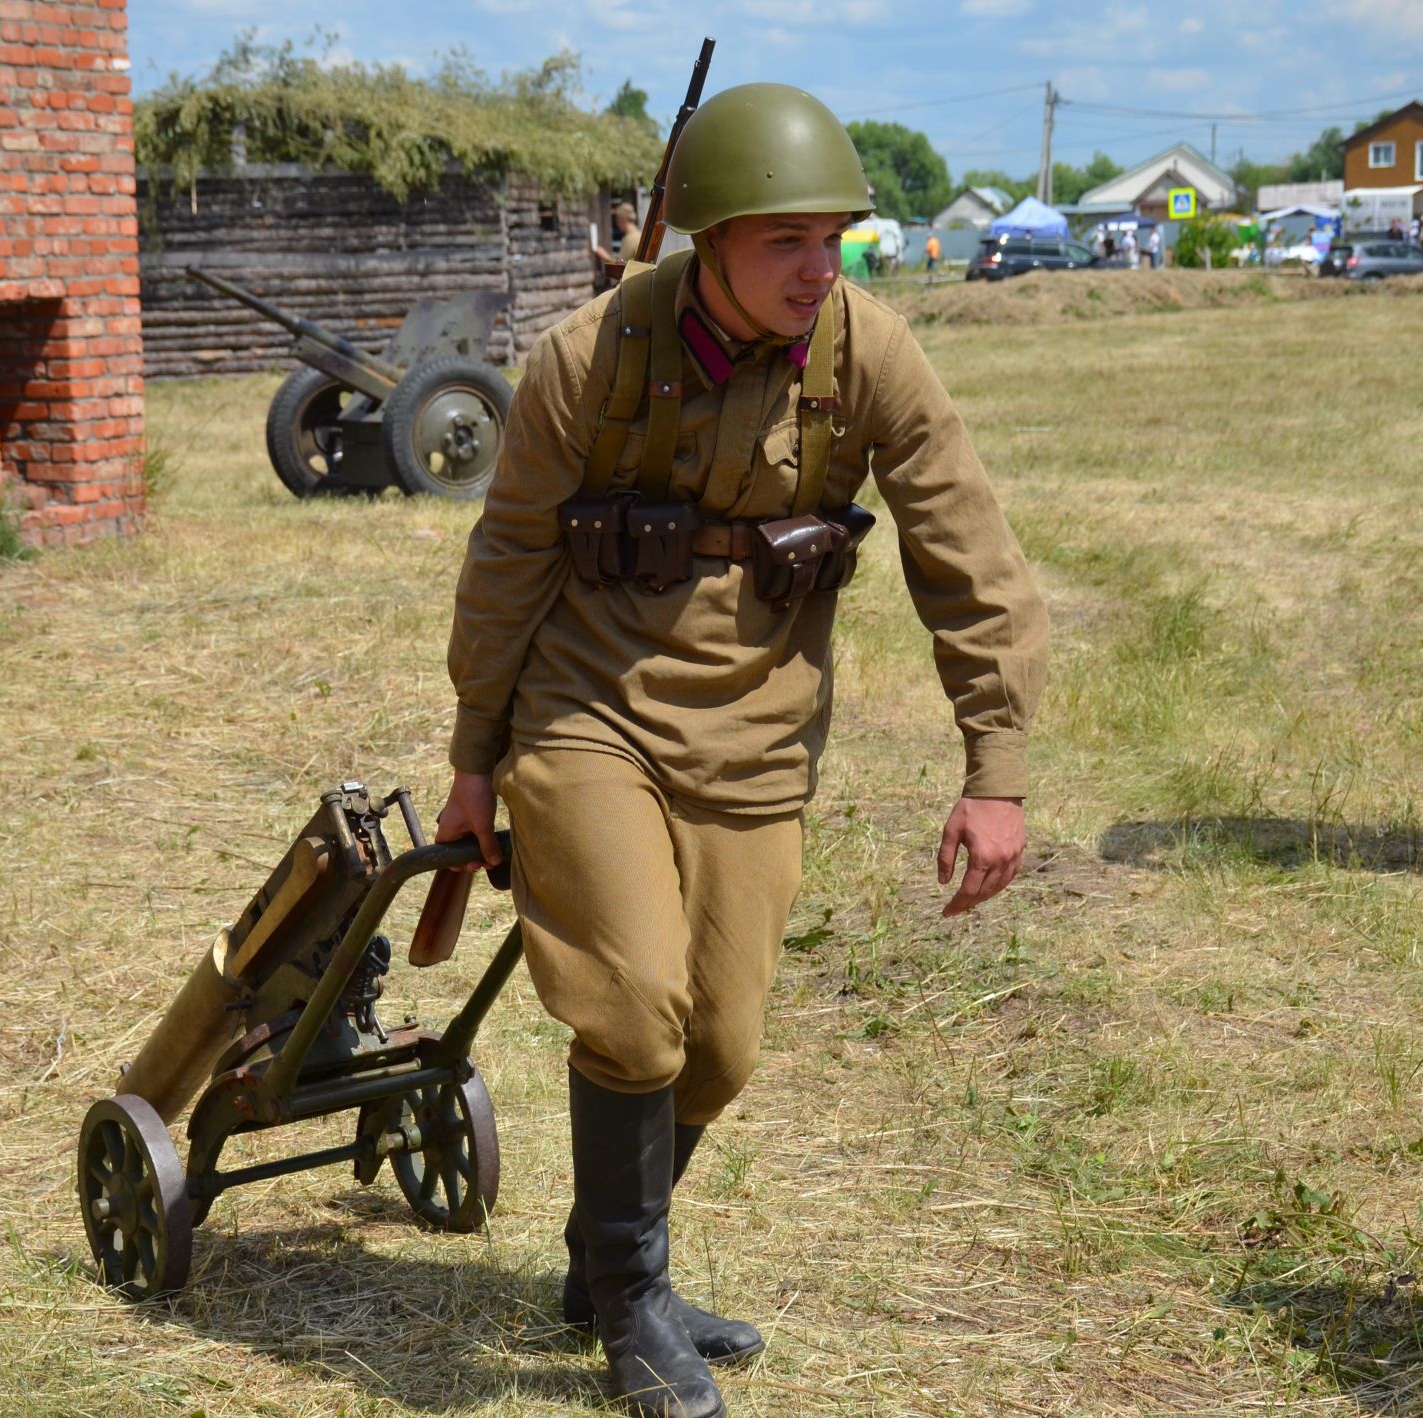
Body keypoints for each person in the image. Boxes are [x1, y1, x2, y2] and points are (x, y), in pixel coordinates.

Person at [436, 83, 1047, 1418]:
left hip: (761, 735)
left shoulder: (867, 352)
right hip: (588, 711)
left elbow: (967, 550)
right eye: (786, 240)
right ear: (704, 238)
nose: (817, 268)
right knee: (634, 1007)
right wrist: (476, 756)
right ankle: (634, 1301)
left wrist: (993, 768)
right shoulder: (584, 361)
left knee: (720, 1043)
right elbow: (507, 565)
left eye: (834, 238)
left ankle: (598, 1266)